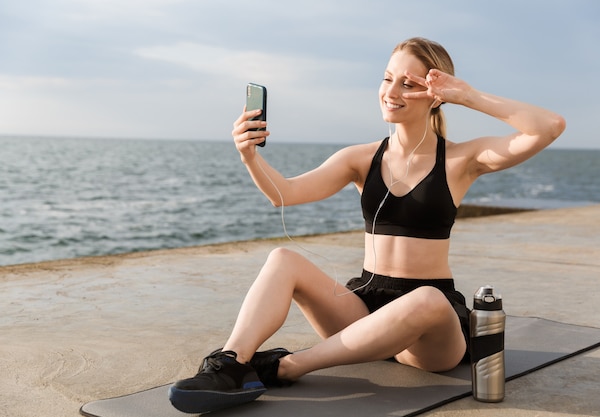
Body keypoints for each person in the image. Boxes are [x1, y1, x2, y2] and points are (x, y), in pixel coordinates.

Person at [168, 37, 566, 414]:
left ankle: (286, 367)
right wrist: (249, 156)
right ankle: (231, 364)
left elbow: (548, 126)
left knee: (428, 298)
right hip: (363, 311)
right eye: (388, 78)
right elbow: (284, 194)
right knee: (282, 258)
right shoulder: (360, 158)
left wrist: (468, 96)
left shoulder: (461, 160)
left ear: (436, 95)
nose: (392, 91)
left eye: (408, 84)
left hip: (430, 332)